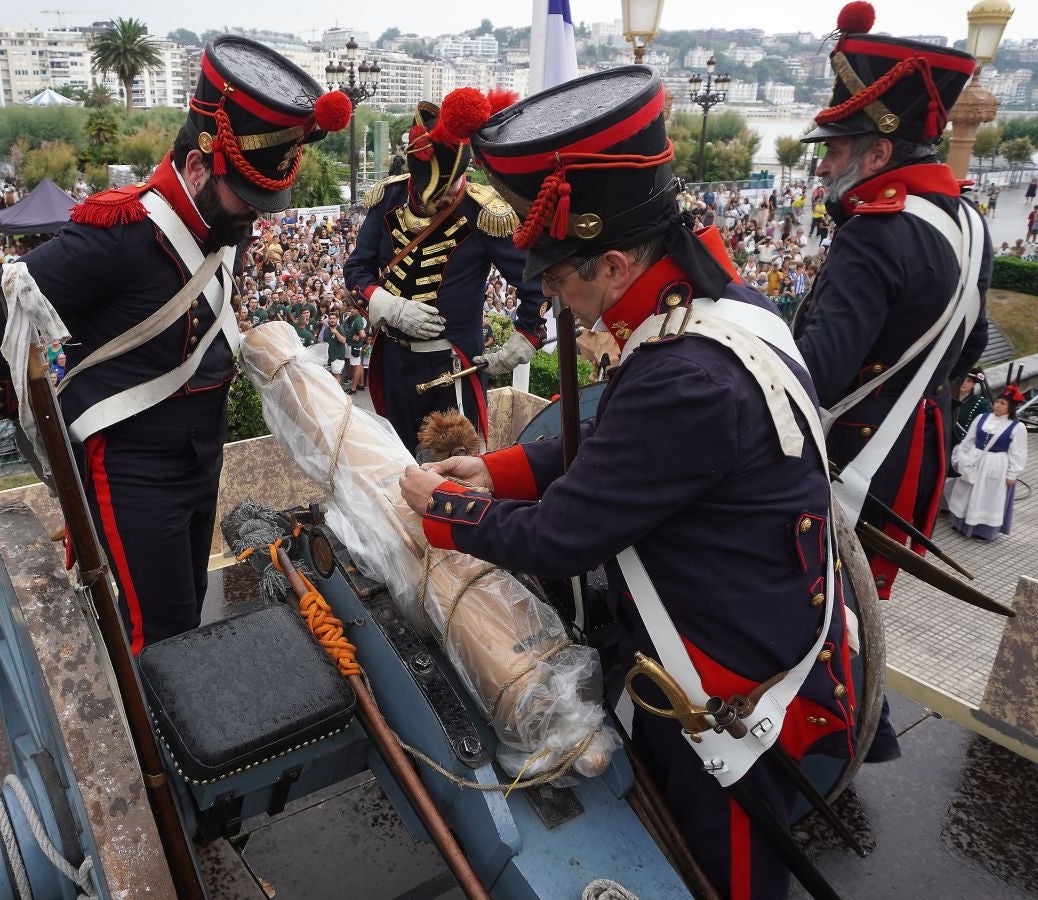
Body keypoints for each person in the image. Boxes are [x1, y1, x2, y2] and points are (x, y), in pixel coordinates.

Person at [398, 67, 854, 899]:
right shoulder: (716, 308)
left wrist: (447, 511)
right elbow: (624, 449)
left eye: (557, 279)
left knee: (726, 879)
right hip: (740, 624)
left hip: (724, 688)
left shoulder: (684, 376)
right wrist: (496, 471)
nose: (551, 297)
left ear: (610, 263)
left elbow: (563, 537)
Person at [0, 35, 351, 654]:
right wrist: (8, 401)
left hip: (200, 454)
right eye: (246, 196)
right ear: (198, 167)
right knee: (162, 634)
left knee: (186, 609)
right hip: (133, 466)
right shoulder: (120, 232)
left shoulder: (217, 222)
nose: (255, 216)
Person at [790, 4, 988, 762]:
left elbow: (817, 371)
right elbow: (970, 348)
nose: (823, 167)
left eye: (837, 150)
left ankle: (835, 734)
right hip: (916, 447)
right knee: (853, 597)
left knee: (810, 592)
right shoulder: (966, 221)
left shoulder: (874, 232)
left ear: (877, 152)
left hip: (856, 451)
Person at [345, 88, 545, 453]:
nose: (445, 195)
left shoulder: (483, 213)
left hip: (451, 365)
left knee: (455, 467)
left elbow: (536, 279)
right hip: (393, 359)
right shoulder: (387, 199)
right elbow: (357, 269)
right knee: (398, 458)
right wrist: (388, 306)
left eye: (450, 186)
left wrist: (525, 335)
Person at [948, 384, 1027, 540]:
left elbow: (1018, 453)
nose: (998, 405)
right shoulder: (982, 418)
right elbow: (969, 440)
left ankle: (982, 531)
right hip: (974, 460)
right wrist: (959, 458)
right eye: (997, 401)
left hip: (995, 465)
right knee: (966, 492)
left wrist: (1012, 474)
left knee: (987, 497)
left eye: (1003, 403)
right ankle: (960, 524)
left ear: (1010, 407)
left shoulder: (1017, 427)